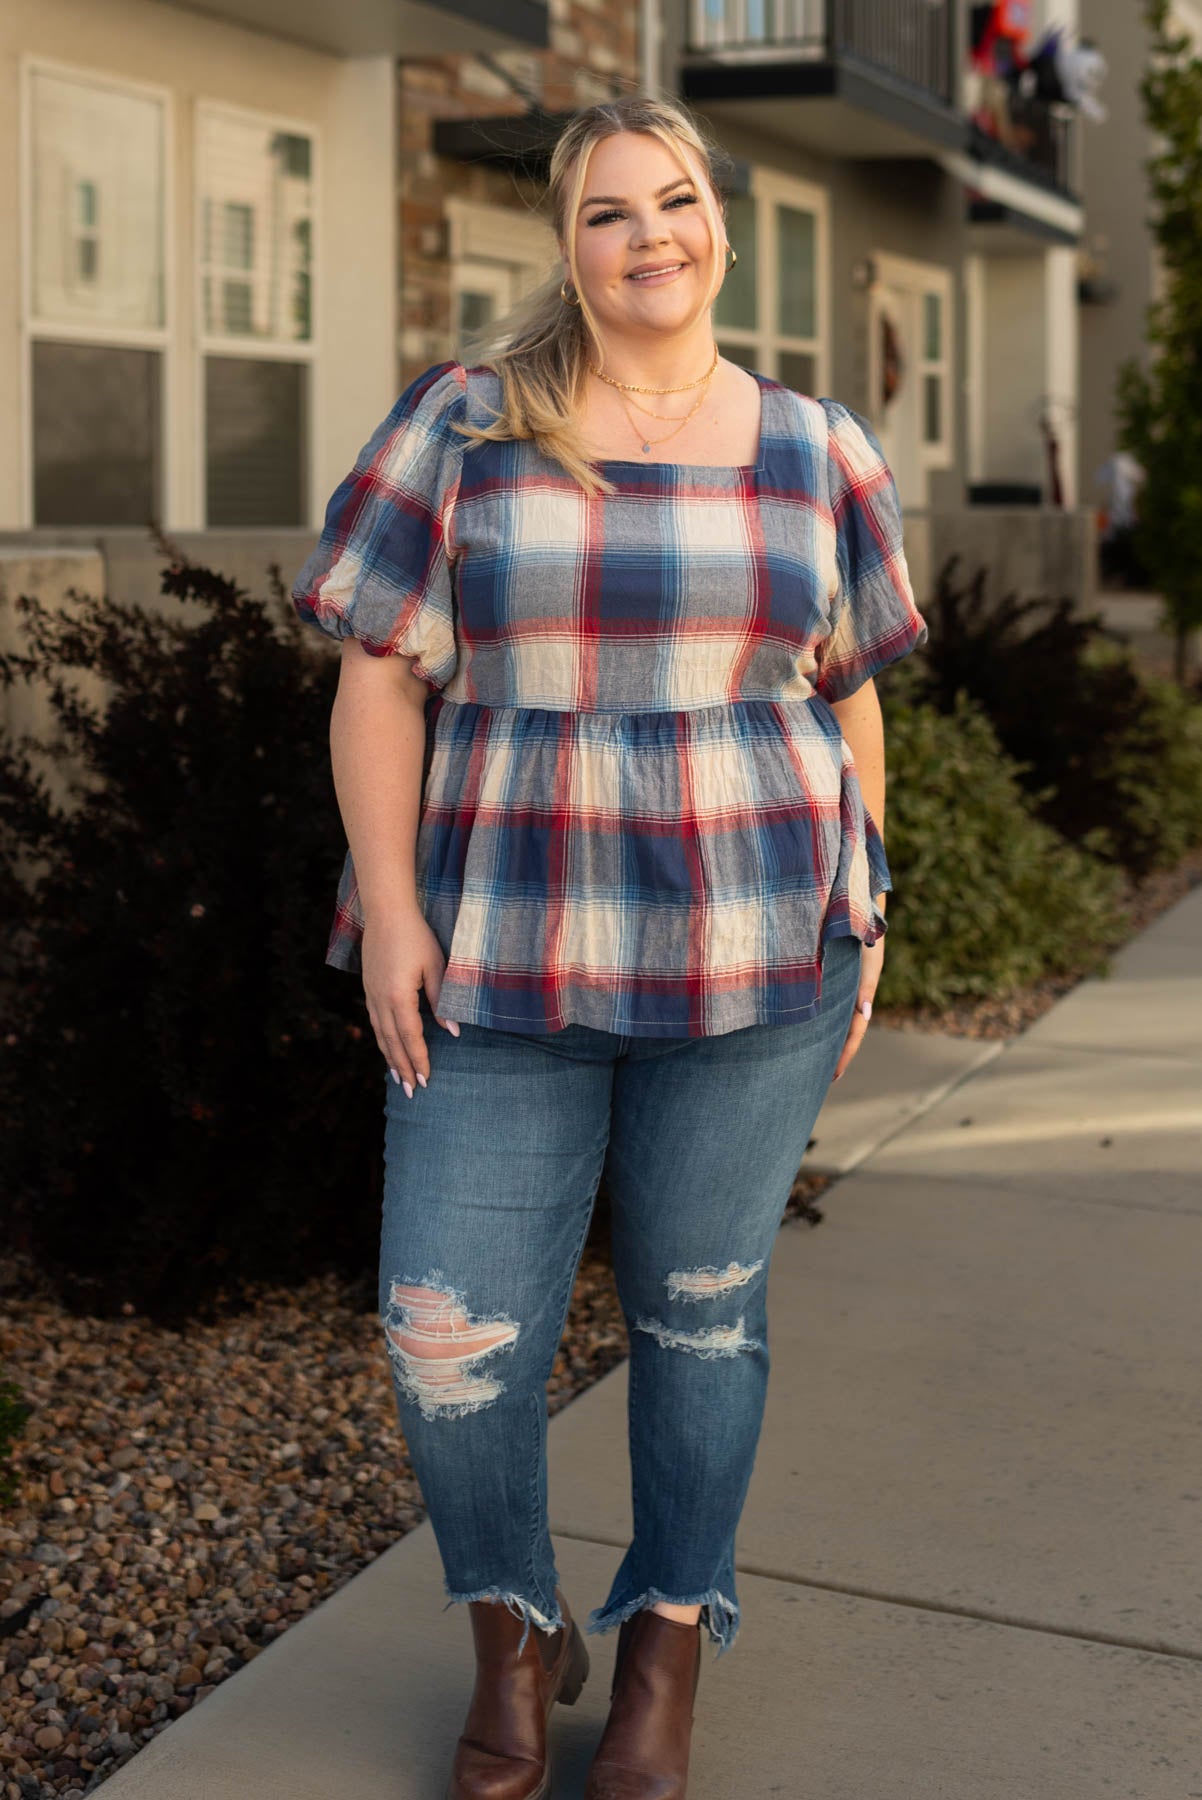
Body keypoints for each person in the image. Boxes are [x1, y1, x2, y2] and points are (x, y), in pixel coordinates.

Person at [292, 92, 928, 1800]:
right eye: (606, 214)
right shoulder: (469, 422)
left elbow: (847, 696)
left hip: (755, 965)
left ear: (716, 220)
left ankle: (662, 1646)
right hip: (494, 953)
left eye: (674, 202)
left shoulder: (818, 446)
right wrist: (390, 915)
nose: (650, 235)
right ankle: (516, 1630)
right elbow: (375, 678)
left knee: (701, 1319)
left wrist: (865, 899)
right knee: (444, 1333)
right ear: (563, 248)